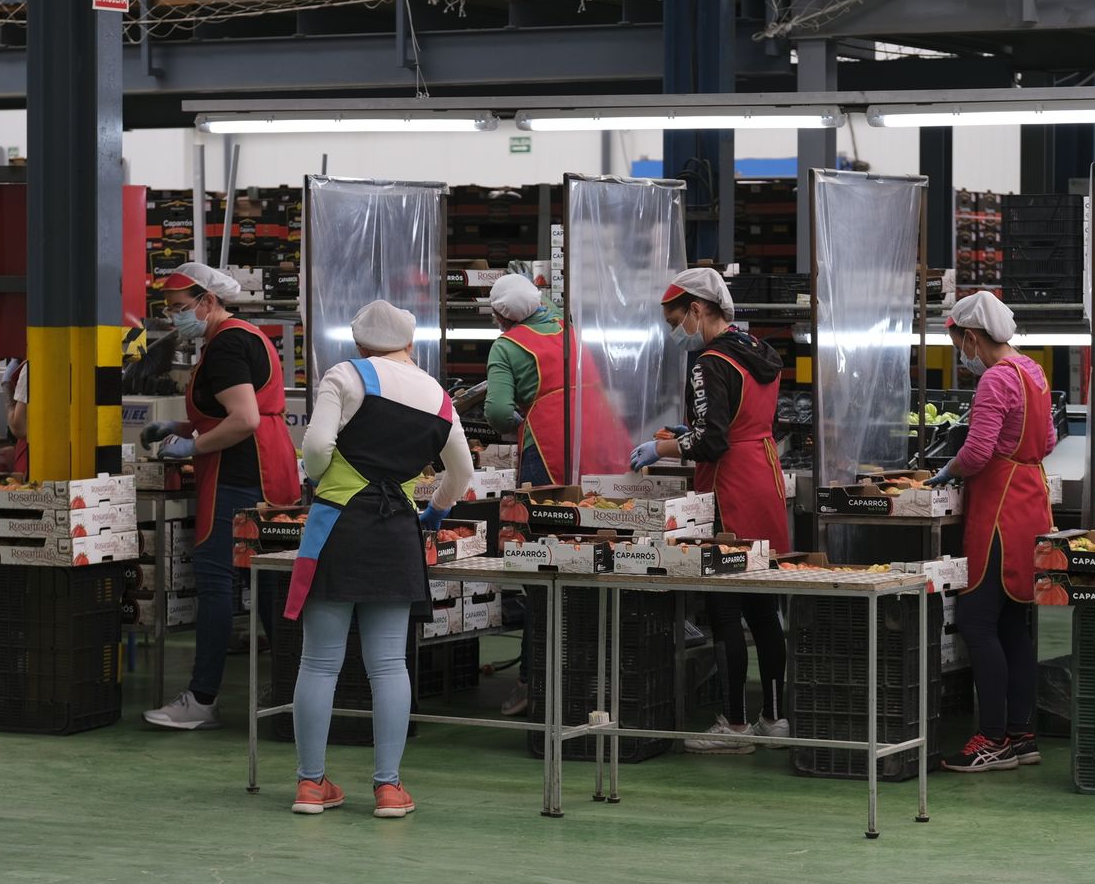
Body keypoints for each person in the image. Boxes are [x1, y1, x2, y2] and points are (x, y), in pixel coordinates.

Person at [285, 300, 474, 818]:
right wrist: (433, 512)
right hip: (396, 531)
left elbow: (316, 445)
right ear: (410, 344)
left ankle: (310, 785)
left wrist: (323, 478)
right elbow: (461, 473)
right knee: (388, 665)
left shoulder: (346, 375)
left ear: (362, 344)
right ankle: (388, 788)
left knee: (320, 662)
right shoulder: (438, 396)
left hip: (337, 526)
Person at [629, 267, 790, 754]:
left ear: (698, 310)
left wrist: (670, 448)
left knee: (724, 606)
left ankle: (735, 726)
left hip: (730, 488)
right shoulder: (760, 353)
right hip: (765, 478)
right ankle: (775, 719)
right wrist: (693, 428)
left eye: (676, 319)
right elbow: (746, 421)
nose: (677, 331)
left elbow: (714, 440)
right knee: (764, 607)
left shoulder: (709, 363)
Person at [140, 263, 301, 730]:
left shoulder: (227, 343)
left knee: (215, 582)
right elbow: (235, 410)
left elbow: (244, 418)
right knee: (270, 583)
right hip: (271, 471)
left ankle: (202, 698)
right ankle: (292, 688)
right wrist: (180, 426)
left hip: (239, 475)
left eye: (179, 309)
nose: (174, 319)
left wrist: (192, 446)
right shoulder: (246, 335)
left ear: (207, 302)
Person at [483, 273, 630, 716]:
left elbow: (494, 411)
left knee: (543, 569)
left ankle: (534, 680)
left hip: (548, 458)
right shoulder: (571, 332)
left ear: (502, 315)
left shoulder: (507, 347)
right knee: (601, 557)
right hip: (601, 448)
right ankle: (602, 675)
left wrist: (520, 421)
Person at [926, 291, 1056, 772]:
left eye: (960, 342)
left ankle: (993, 738)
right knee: (1011, 623)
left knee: (979, 621)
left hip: (998, 507)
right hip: (1032, 505)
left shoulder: (997, 380)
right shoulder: (1034, 372)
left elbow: (978, 452)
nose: (962, 353)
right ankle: (1021, 735)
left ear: (973, 336)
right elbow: (1047, 440)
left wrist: (948, 470)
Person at [0, 359, 29, 474]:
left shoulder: (32, 367)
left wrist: (6, 387)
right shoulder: (84, 359)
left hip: (35, 465)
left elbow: (19, 428)